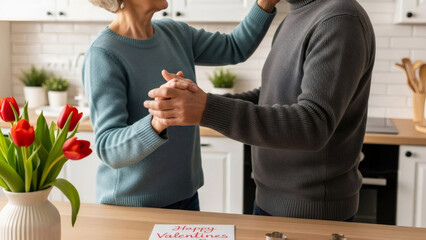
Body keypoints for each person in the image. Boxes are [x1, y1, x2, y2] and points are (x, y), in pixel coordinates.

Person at [144, 0, 376, 221]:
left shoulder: (338, 19)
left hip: (312, 215)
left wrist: (207, 108)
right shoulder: (295, 17)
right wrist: (199, 100)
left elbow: (313, 125)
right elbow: (271, 96)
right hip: (270, 202)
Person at [82, 0, 279, 210]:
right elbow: (108, 147)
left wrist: (264, 4)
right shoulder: (104, 54)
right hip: (134, 206)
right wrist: (158, 121)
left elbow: (235, 47)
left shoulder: (174, 32)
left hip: (186, 197)